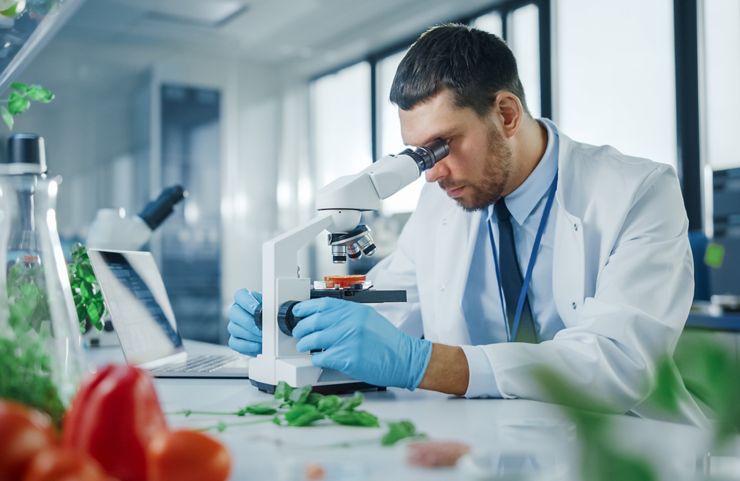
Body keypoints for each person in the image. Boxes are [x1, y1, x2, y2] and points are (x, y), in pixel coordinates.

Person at [228, 24, 704, 425]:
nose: (433, 171)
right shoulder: (444, 204)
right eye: (419, 153)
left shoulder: (638, 191)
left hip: (632, 447)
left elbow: (620, 363)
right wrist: (289, 326)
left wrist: (427, 364)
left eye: (443, 144)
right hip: (493, 440)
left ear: (506, 114)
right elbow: (381, 314)